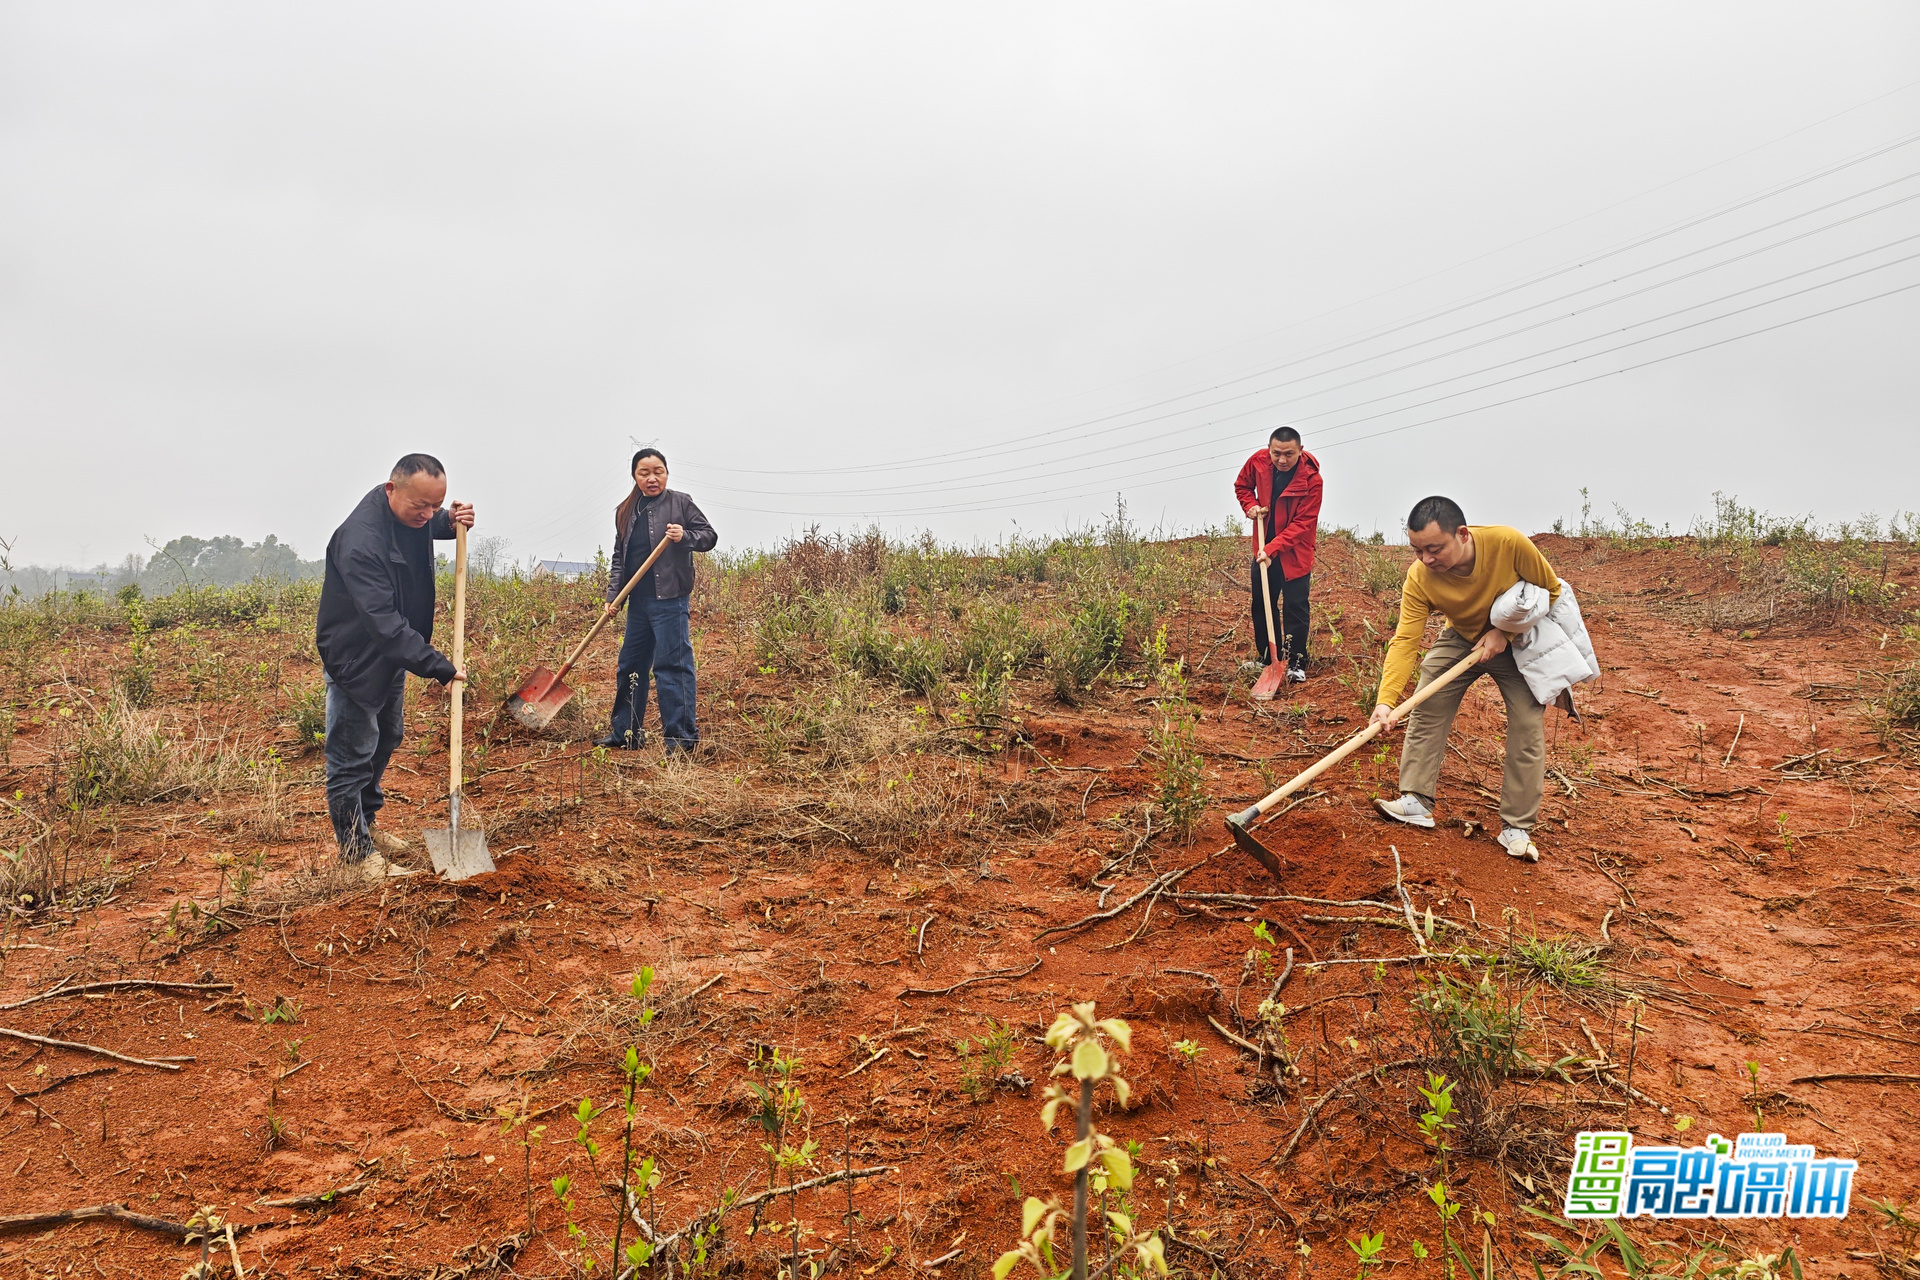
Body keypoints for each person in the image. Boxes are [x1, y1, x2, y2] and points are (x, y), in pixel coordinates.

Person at [1369, 496, 1561, 862]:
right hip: (1461, 636)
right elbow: (1406, 640)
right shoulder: (1420, 576)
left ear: (1463, 535)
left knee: (1526, 721)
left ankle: (1516, 827)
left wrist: (1504, 633)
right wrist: (1385, 701)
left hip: (1517, 640)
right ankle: (1416, 800)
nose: (1426, 559)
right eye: (1416, 550)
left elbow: (1551, 592)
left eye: (1434, 549)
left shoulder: (1508, 544)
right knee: (1428, 700)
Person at [315, 454, 474, 877]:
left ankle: (366, 824)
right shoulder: (359, 540)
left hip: (392, 652)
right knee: (352, 755)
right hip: (356, 657)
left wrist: (450, 521)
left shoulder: (412, 516)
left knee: (388, 735)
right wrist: (437, 665)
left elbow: (425, 522)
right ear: (391, 490)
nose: (426, 514)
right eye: (419, 506)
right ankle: (356, 856)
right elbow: (383, 624)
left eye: (433, 505)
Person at [599, 448, 717, 754]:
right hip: (637, 603)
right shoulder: (625, 510)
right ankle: (626, 733)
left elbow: (709, 536)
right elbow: (618, 559)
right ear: (635, 476)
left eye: (658, 471)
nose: (652, 478)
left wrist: (684, 536)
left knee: (672, 667)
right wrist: (614, 598)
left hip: (670, 600)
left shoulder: (680, 502)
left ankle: (680, 739)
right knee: (630, 665)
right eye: (644, 473)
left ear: (666, 473)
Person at [1233, 426, 1322, 682]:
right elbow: (1242, 486)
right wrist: (1250, 506)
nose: (1282, 460)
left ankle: (1295, 663)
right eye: (1277, 454)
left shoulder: (1312, 480)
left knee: (1295, 606)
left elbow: (1303, 524)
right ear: (1269, 450)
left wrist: (1272, 549)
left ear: (1300, 451)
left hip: (1294, 552)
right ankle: (1267, 659)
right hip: (1263, 547)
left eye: (1289, 454)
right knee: (1262, 605)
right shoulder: (1258, 462)